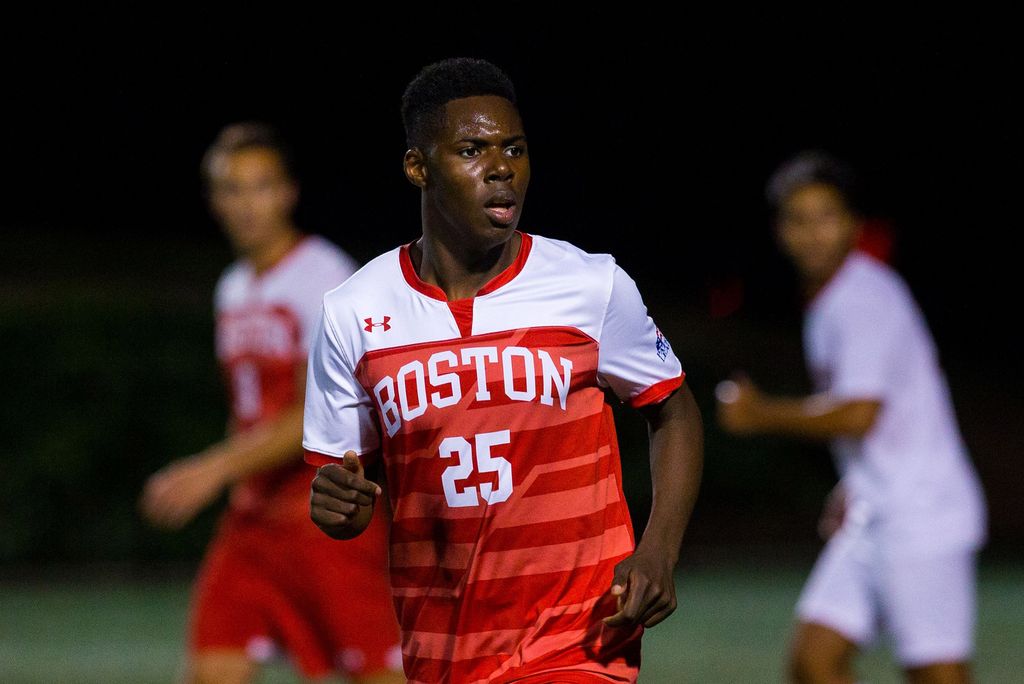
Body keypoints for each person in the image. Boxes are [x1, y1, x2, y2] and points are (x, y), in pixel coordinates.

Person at [302, 58, 704, 683]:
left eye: (513, 150)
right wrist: (337, 506)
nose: (500, 169)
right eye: (471, 150)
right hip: (443, 649)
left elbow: (673, 409)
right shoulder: (352, 311)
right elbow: (346, 492)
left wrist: (658, 551)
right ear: (418, 166)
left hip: (581, 638)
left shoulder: (589, 286)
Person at [140, 122, 404, 684]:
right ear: (214, 201)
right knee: (213, 667)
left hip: (325, 516)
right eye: (231, 189)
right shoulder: (232, 286)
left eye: (259, 186)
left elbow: (317, 412)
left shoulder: (323, 277)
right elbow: (249, 408)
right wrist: (232, 476)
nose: (246, 204)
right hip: (253, 522)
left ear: (288, 192)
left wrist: (211, 468)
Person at [717, 151, 986, 684]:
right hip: (874, 509)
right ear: (780, 231)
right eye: (799, 219)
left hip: (921, 513)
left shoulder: (864, 297)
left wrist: (761, 413)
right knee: (814, 660)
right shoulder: (830, 300)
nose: (814, 233)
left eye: (827, 216)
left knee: (936, 673)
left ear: (853, 225)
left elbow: (860, 414)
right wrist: (854, 485)